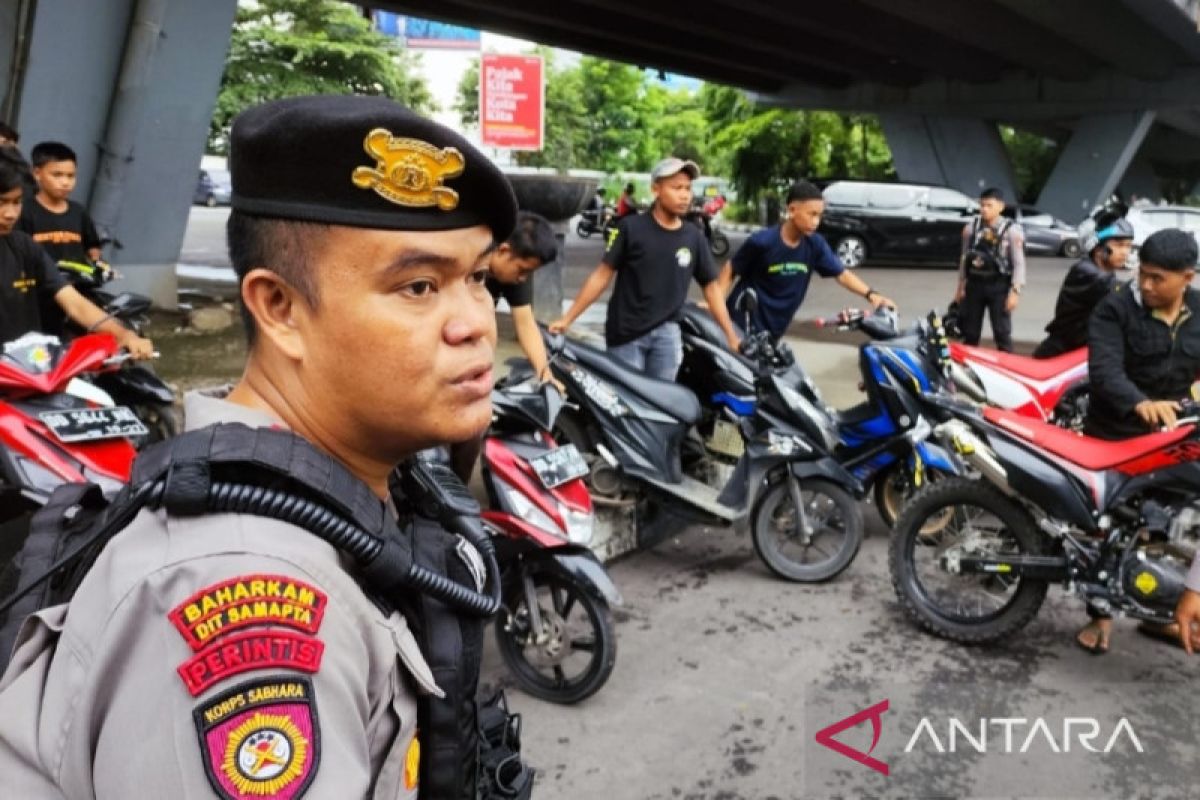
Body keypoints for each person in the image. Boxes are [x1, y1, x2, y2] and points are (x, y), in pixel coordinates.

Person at [0, 95, 517, 797]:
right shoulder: (244, 594)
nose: (475, 323)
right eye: (420, 286)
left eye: (479, 279)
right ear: (279, 309)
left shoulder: (346, 494)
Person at [1076, 228, 1200, 654]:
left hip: (1175, 437)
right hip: (1114, 434)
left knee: (1163, 526)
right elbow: (1105, 370)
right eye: (1142, 274)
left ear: (1188, 277)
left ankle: (1158, 611)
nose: (1145, 285)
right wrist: (1140, 403)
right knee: (1103, 528)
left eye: (1157, 278)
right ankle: (1100, 615)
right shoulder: (1114, 308)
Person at [549, 157, 741, 380]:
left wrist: (730, 335)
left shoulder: (694, 237)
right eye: (676, 187)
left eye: (688, 188)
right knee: (625, 402)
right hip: (626, 335)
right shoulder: (631, 229)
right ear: (655, 189)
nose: (684, 195)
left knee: (660, 404)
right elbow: (601, 276)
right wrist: (568, 318)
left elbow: (712, 288)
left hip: (668, 337)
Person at [0, 147, 152, 354]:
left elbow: (74, 303)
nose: (10, 214)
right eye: (2, 202)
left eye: (16, 202)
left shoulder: (25, 247)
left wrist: (124, 335)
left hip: (29, 369)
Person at [447, 210, 563, 482]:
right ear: (503, 250)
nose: (523, 278)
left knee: (474, 424)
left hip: (469, 354)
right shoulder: (461, 259)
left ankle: (457, 495)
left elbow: (525, 324)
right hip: (440, 344)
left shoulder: (512, 274)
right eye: (522, 270)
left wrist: (545, 374)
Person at [717, 180, 895, 340]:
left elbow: (842, 274)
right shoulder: (762, 242)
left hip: (775, 328)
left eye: (819, 215)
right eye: (812, 214)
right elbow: (730, 269)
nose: (816, 222)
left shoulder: (814, 244)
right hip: (741, 325)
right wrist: (716, 302)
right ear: (792, 210)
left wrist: (872, 295)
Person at [1032, 216, 1134, 359]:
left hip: (1083, 350)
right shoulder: (1085, 271)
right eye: (1119, 245)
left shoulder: (1107, 272)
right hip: (1062, 352)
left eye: (1128, 246)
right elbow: (1115, 289)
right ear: (1098, 248)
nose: (1125, 252)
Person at [954, 187, 1026, 352]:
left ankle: (1009, 369)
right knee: (970, 332)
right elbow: (965, 258)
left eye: (989, 205)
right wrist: (960, 287)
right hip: (974, 285)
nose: (984, 209)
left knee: (1002, 332)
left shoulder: (1011, 231)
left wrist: (1015, 291)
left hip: (998, 286)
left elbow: (1018, 263)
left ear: (1000, 207)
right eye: (982, 205)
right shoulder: (971, 229)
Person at [16, 141, 103, 266]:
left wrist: (96, 262)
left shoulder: (78, 212)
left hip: (77, 284)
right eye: (57, 175)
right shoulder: (24, 211)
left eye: (71, 176)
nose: (65, 182)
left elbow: (93, 246)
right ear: (37, 173)